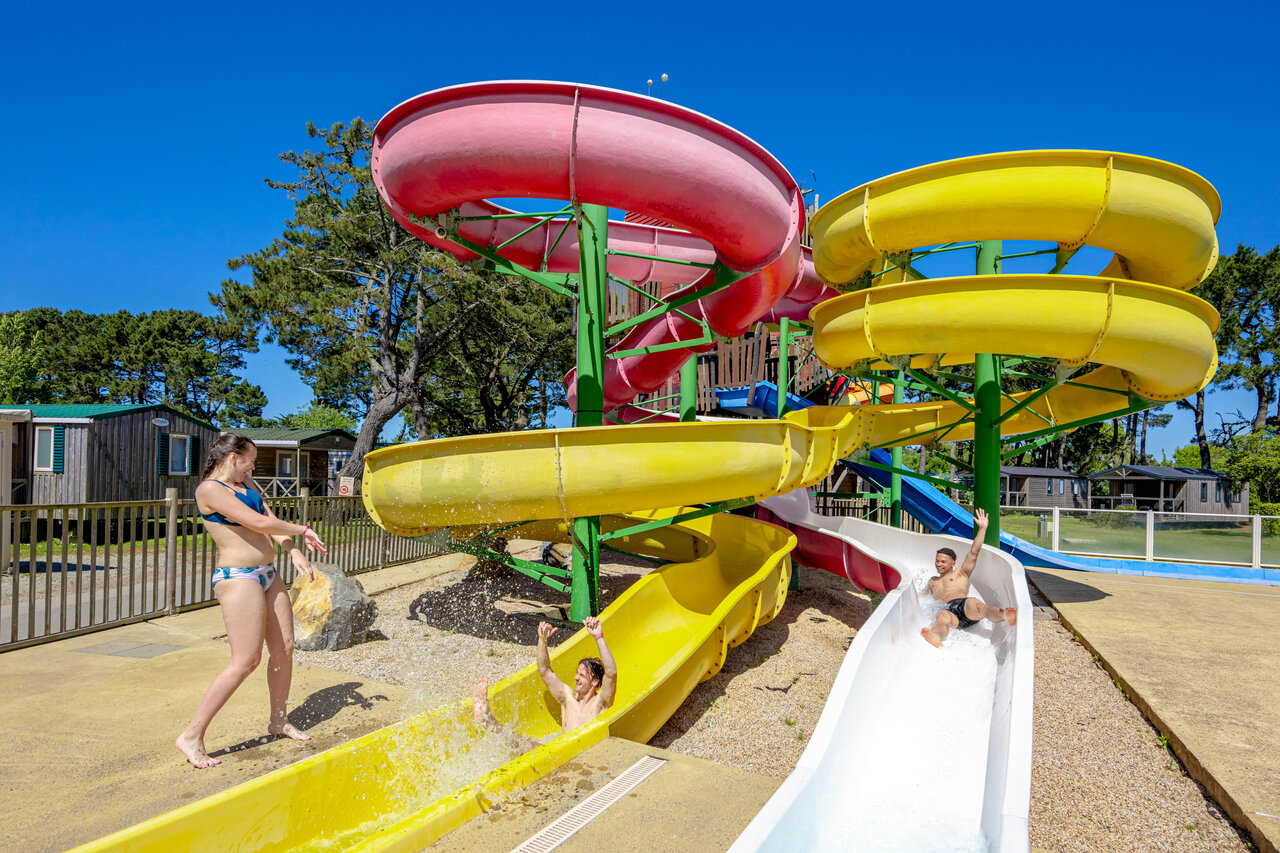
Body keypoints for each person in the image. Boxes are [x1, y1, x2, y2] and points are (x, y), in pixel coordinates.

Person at [174, 433, 329, 768]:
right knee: (245, 661)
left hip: (266, 573)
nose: (253, 466)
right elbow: (256, 522)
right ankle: (192, 735)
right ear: (233, 458)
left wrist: (293, 551)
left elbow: (270, 523)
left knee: (285, 647)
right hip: (238, 577)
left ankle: (278, 720)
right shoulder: (210, 490)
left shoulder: (249, 487)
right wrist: (303, 529)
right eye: (251, 460)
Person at [472, 616, 617, 748]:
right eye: (577, 674)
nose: (576, 678)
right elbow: (544, 670)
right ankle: (486, 719)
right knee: (523, 744)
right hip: (561, 755)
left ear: (595, 682)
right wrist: (542, 640)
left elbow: (611, 673)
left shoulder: (600, 703)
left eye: (582, 675)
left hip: (584, 760)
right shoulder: (568, 697)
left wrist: (598, 637)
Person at [920, 508, 1017, 648]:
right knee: (941, 617)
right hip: (947, 610)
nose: (939, 564)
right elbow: (923, 598)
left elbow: (974, 551)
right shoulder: (932, 581)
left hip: (964, 605)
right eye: (937, 561)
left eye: (943, 561)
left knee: (981, 607)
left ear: (953, 563)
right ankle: (936, 637)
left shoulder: (960, 573)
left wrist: (982, 528)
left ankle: (1004, 615)